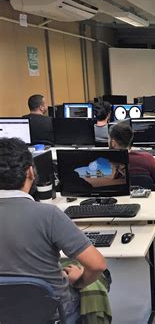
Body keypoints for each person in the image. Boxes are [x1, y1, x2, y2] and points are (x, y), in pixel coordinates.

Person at [0, 137, 107, 322]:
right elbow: (97, 265)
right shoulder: (48, 215)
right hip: (52, 311)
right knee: (100, 278)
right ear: (30, 172)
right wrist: (79, 280)